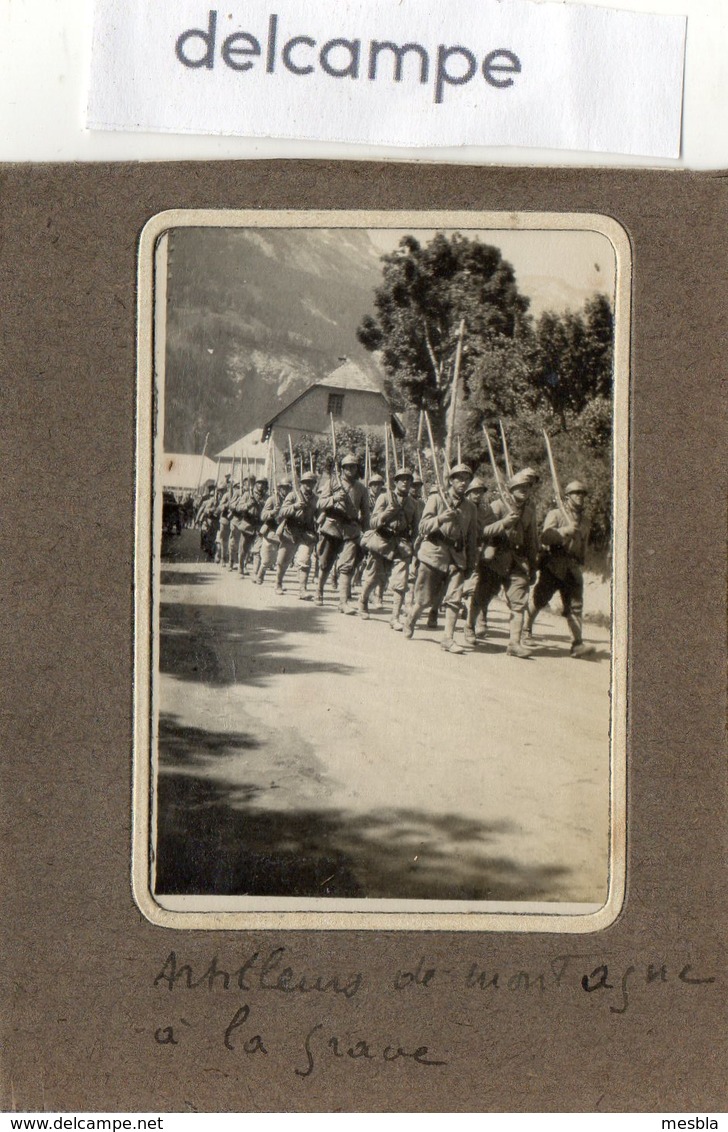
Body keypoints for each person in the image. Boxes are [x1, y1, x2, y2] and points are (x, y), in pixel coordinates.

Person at [403, 463, 478, 654]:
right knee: (424, 600)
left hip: (456, 557)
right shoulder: (436, 499)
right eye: (459, 478)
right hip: (434, 553)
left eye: (466, 478)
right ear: (451, 481)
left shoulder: (470, 507)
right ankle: (411, 618)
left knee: (455, 598)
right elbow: (423, 527)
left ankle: (448, 638)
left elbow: (471, 537)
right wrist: (441, 519)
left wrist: (470, 563)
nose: (463, 482)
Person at [524, 480, 594, 658]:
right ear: (568, 496)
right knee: (540, 599)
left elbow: (584, 544)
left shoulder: (585, 521)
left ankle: (577, 644)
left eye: (582, 494)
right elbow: (545, 537)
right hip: (554, 565)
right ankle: (526, 629)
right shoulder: (556, 514)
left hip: (572, 568)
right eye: (576, 493)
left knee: (575, 607)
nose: (580, 497)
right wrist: (564, 531)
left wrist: (580, 562)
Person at [479, 469, 540, 658]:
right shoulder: (496, 506)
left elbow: (532, 541)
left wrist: (533, 567)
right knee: (483, 595)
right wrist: (504, 522)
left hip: (518, 562)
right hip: (495, 558)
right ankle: (472, 625)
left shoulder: (529, 512)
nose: (525, 490)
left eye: (528, 487)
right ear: (511, 488)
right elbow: (483, 531)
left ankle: (514, 643)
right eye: (520, 487)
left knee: (518, 604)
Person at [358, 467, 417, 628]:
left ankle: (395, 617)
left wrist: (412, 546)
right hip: (382, 540)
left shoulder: (413, 503)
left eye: (408, 479)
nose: (405, 481)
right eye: (402, 479)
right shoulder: (384, 497)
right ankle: (363, 600)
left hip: (401, 544)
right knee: (374, 577)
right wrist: (389, 512)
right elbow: (373, 522)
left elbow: (416, 529)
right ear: (396, 482)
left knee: (401, 582)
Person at [316, 453, 370, 613]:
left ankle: (343, 602)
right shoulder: (333, 482)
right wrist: (333, 498)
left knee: (346, 566)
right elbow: (319, 503)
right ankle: (319, 590)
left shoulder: (361, 488)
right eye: (347, 466)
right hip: (333, 526)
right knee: (326, 563)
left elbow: (365, 513)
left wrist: (366, 534)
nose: (351, 469)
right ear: (342, 468)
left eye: (353, 466)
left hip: (351, 529)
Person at [275, 472, 319, 599]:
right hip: (290, 532)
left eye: (311, 482)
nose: (309, 485)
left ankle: (302, 590)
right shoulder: (293, 495)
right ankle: (278, 583)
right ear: (302, 483)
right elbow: (282, 512)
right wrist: (294, 507)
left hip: (306, 534)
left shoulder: (315, 499)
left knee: (304, 561)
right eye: (306, 482)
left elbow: (318, 514)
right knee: (283, 561)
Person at [253, 478, 291, 585]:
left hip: (286, 532)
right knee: (267, 560)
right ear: (279, 489)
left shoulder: (291, 499)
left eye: (287, 488)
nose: (285, 490)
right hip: (272, 532)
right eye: (283, 488)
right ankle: (260, 574)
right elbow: (263, 515)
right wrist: (273, 512)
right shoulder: (272, 499)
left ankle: (278, 583)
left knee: (282, 561)